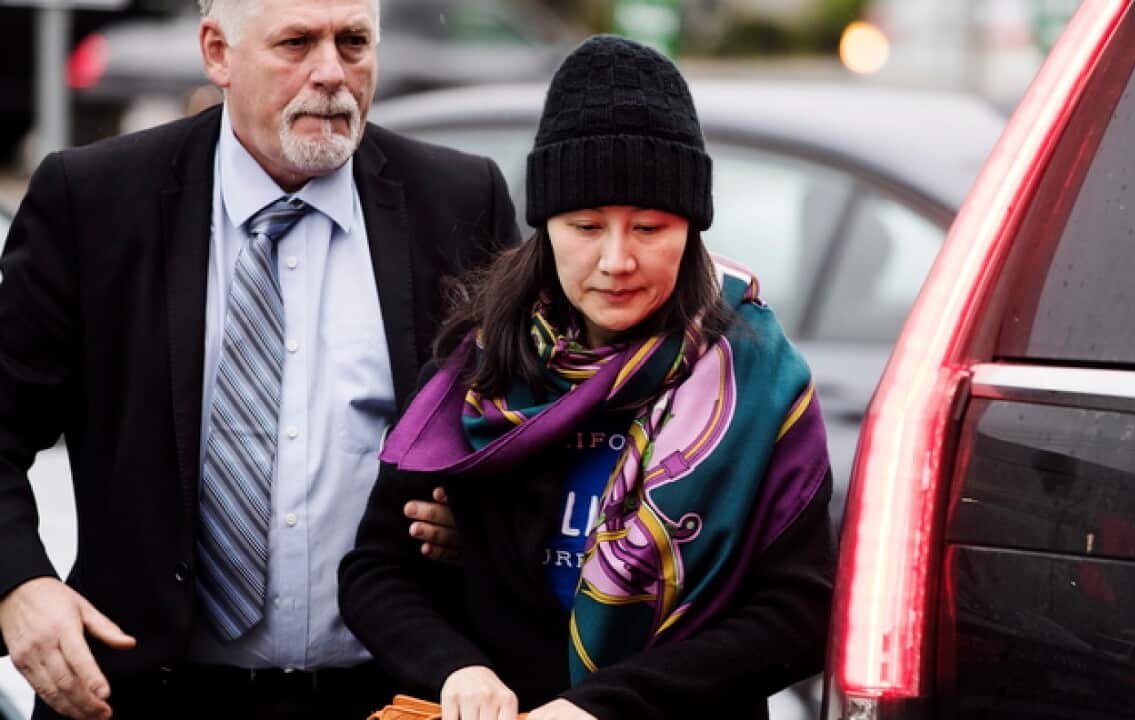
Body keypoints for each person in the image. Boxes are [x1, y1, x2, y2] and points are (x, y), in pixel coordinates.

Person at [0, 0, 517, 717]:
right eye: (297, 43)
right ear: (218, 53)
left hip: (387, 694)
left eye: (353, 42)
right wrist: (18, 586)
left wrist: (482, 525)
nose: (331, 73)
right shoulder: (95, 202)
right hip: (141, 691)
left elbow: (524, 431)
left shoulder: (458, 200)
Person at [339, 35, 834, 720]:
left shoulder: (758, 382)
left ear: (691, 229)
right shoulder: (480, 370)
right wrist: (457, 669)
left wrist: (605, 708)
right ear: (545, 227)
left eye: (650, 227)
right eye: (586, 226)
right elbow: (377, 569)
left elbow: (799, 613)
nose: (616, 260)